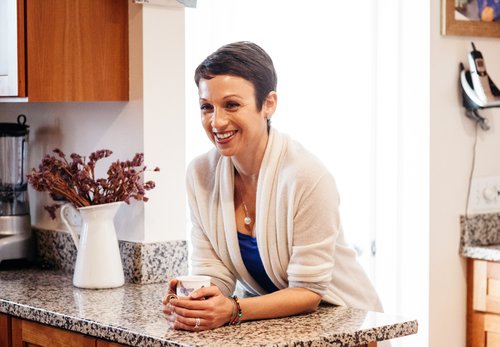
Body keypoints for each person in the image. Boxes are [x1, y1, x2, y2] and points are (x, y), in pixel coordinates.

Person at [162, 41, 382, 331]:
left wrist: (232, 310)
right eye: (206, 107)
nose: (216, 121)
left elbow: (309, 292)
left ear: (268, 104)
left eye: (231, 105)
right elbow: (213, 271)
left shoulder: (306, 176)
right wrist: (197, 301)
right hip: (282, 324)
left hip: (346, 323)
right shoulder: (201, 174)